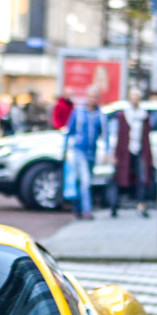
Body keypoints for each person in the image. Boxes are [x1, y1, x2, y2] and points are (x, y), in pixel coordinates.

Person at [108, 88, 154, 217]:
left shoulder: (143, 116)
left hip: (139, 150)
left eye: (137, 97)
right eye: (132, 97)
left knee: (142, 177)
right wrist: (116, 154)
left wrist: (149, 155)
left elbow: (146, 137)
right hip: (125, 152)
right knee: (119, 177)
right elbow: (119, 136)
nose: (134, 100)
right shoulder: (123, 115)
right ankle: (114, 204)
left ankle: (141, 205)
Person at [64, 90, 105, 220]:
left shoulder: (100, 115)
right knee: (84, 181)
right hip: (79, 150)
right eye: (91, 96)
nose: (92, 99)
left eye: (95, 96)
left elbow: (105, 135)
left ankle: (77, 208)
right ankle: (87, 210)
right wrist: (65, 151)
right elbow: (69, 131)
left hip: (92, 152)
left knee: (83, 181)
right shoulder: (78, 112)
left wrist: (107, 151)